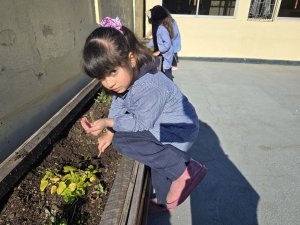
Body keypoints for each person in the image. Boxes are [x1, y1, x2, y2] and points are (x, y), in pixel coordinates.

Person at [80, 17, 207, 212]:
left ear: (130, 59)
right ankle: (166, 201)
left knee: (124, 141)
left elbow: (140, 123)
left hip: (178, 130)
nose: (108, 83)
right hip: (165, 125)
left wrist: (108, 123)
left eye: (112, 72)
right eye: (101, 77)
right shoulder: (129, 77)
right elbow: (118, 103)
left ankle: (185, 170)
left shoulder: (149, 86)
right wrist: (109, 129)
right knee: (158, 165)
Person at [148, 5, 175, 80]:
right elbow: (155, 40)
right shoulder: (158, 27)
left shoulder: (161, 28)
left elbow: (167, 43)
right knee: (162, 72)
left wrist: (158, 52)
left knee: (167, 74)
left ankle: (171, 89)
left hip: (165, 55)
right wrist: (146, 47)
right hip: (163, 54)